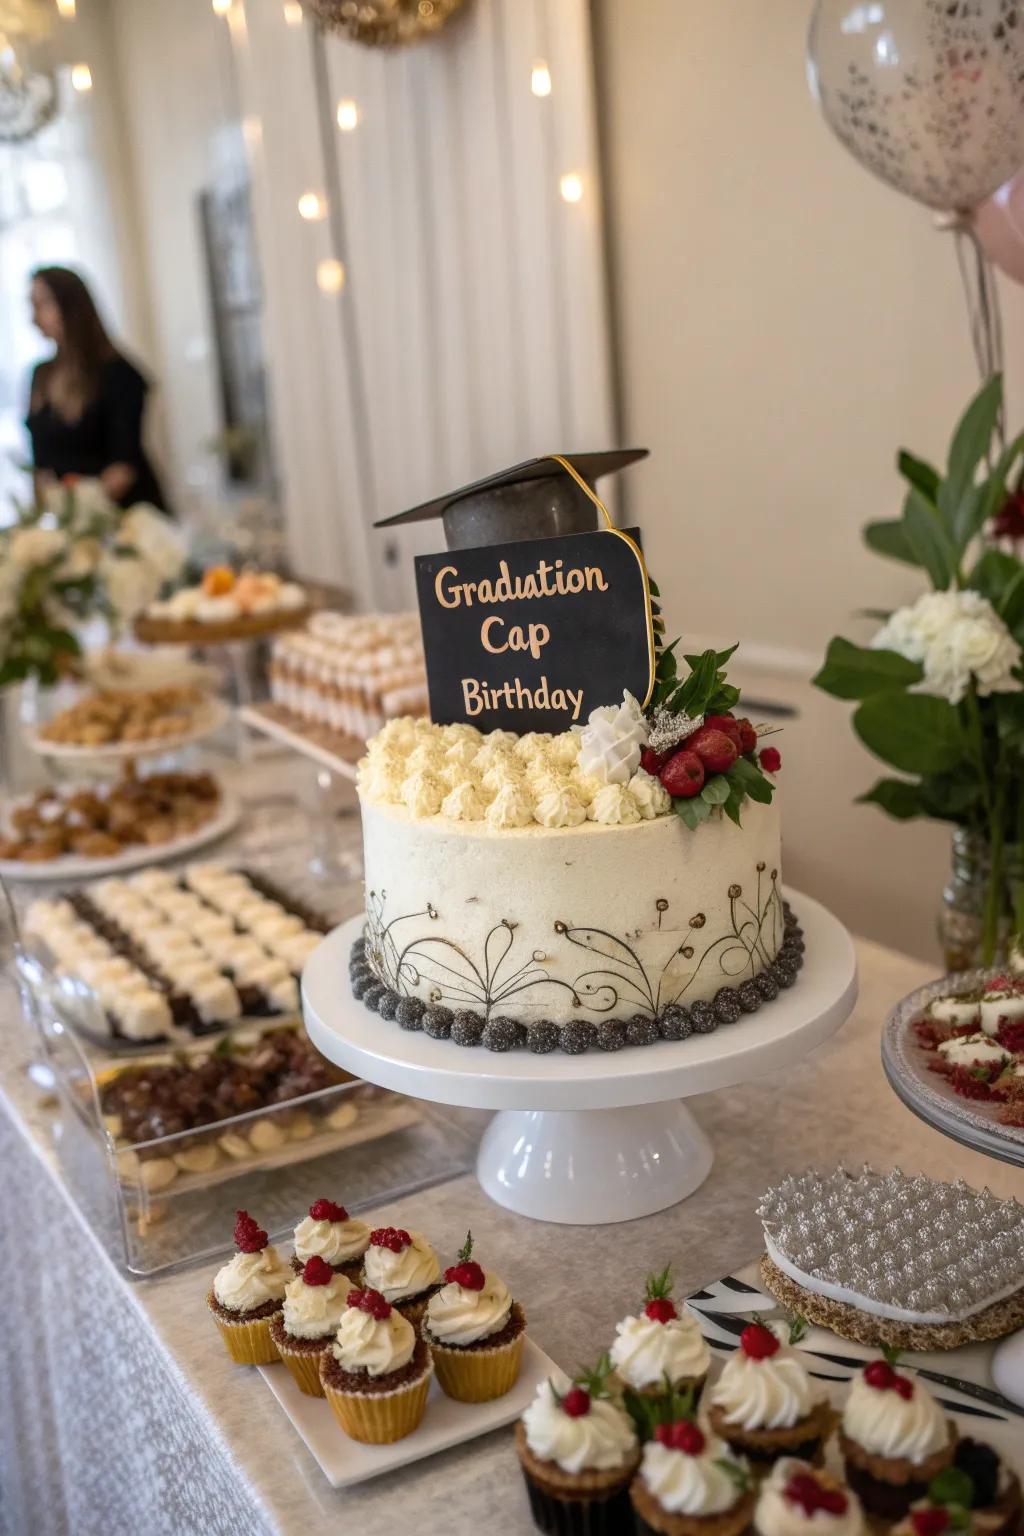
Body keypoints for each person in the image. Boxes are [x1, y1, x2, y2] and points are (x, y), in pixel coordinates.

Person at [25, 266, 169, 512]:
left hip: (124, 515)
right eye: (31, 305)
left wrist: (81, 511)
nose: (33, 317)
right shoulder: (41, 375)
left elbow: (124, 465)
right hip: (69, 519)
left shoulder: (118, 372)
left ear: (71, 306)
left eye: (42, 304)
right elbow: (40, 467)